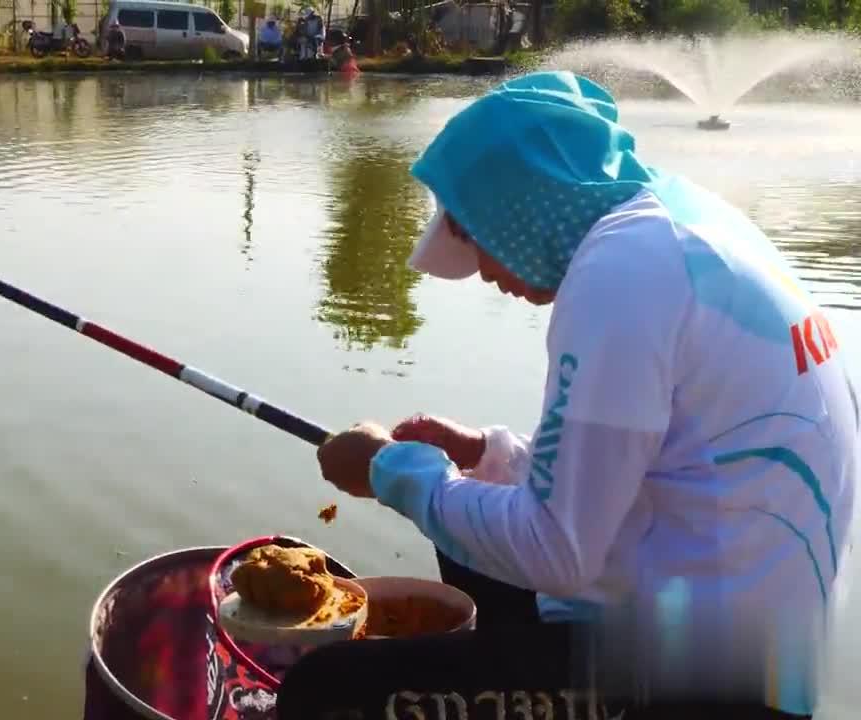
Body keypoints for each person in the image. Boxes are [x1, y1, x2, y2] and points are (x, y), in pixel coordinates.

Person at [313, 71, 856, 718]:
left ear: (520, 206)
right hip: (756, 642)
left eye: (471, 232)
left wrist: (388, 471)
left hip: (710, 681)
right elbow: (645, 466)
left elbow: (557, 553)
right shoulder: (678, 224)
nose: (481, 270)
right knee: (469, 542)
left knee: (326, 687)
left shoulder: (622, 270)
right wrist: (488, 454)